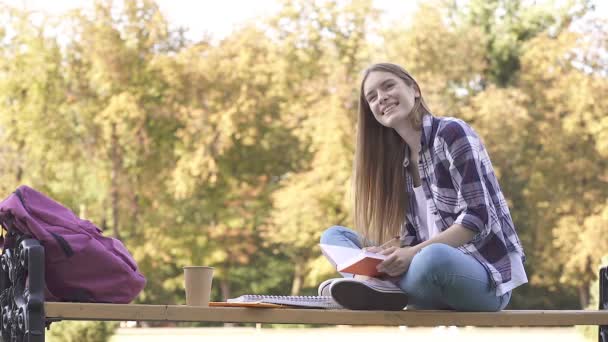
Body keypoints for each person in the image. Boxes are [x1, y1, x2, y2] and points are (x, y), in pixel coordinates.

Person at [319, 63, 527, 312]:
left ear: (414, 90)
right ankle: (373, 287)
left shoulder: (451, 133)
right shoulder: (399, 162)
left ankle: (374, 289)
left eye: (388, 86)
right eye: (371, 97)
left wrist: (411, 254)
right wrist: (389, 251)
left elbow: (477, 218)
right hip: (424, 274)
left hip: (480, 276)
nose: (381, 98)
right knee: (333, 237)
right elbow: (413, 237)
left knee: (433, 257)